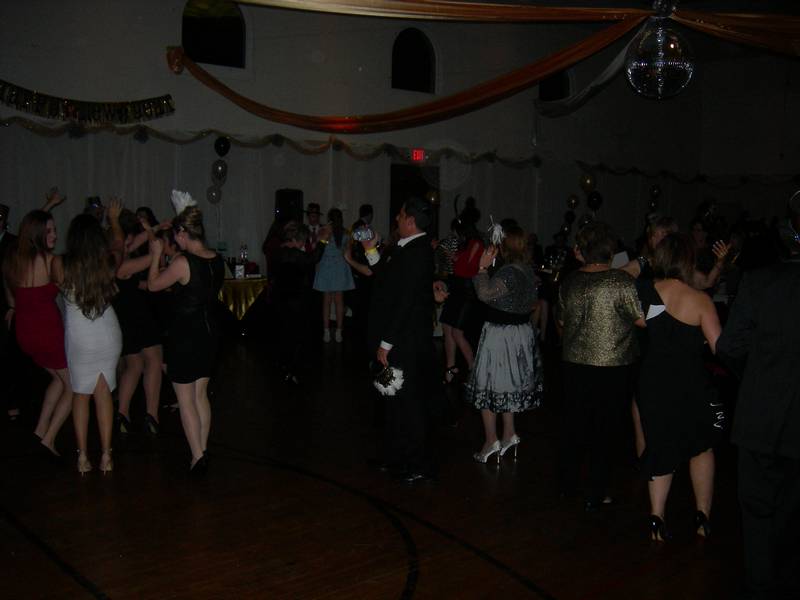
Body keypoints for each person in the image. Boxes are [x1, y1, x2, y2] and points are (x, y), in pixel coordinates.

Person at [717, 203, 800, 599]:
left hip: (760, 415)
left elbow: (729, 347)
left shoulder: (758, 281)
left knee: (756, 510)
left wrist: (755, 378)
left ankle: (760, 584)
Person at [636, 233, 722, 541]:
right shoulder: (700, 300)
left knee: (660, 445)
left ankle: (656, 517)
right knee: (701, 446)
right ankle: (702, 515)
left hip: (654, 381)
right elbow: (719, 347)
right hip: (690, 383)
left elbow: (638, 322)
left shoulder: (645, 291)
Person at [557, 221, 645, 510]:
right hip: (613, 366)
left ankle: (568, 484)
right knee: (605, 430)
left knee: (575, 425)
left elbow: (561, 322)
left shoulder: (569, 281)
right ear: (610, 249)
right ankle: (596, 492)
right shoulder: (620, 282)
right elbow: (641, 319)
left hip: (574, 365)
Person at [363, 197, 445, 483]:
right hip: (397, 338)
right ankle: (395, 456)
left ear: (410, 221)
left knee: (409, 402)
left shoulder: (418, 252)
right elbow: (384, 278)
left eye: (400, 214)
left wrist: (386, 343)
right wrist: (370, 249)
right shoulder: (404, 247)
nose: (396, 218)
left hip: (405, 342)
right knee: (392, 398)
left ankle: (419, 464)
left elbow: (406, 302)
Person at [147, 206, 224, 474]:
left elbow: (153, 285)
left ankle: (197, 456)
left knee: (186, 397)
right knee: (200, 394)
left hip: (186, 335)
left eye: (175, 236)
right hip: (209, 333)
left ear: (182, 233)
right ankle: (201, 450)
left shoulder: (183, 262)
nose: (175, 241)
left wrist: (155, 255)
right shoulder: (216, 258)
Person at [53, 202, 125, 475]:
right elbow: (119, 246)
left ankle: (83, 456)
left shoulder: (60, 264)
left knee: (81, 394)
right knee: (103, 391)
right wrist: (114, 220)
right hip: (107, 332)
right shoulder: (106, 262)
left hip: (80, 335)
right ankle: (106, 455)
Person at [465, 225, 543, 463]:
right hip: (520, 333)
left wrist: (481, 268)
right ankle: (509, 434)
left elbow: (485, 294)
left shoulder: (509, 272)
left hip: (501, 335)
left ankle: (491, 440)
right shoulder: (527, 270)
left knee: (488, 386)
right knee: (507, 385)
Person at [2, 199, 72, 457]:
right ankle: (49, 439)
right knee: (74, 386)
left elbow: (11, 299)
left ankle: (40, 429)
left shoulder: (13, 260)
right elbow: (71, 293)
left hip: (24, 332)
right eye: (50, 231)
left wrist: (48, 205)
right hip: (47, 333)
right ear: (38, 234)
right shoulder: (52, 261)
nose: (55, 235)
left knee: (58, 379)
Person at [112, 209, 163, 435]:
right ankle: (152, 414)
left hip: (122, 318)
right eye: (127, 241)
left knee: (134, 365)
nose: (130, 245)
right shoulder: (122, 265)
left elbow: (136, 243)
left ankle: (122, 414)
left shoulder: (112, 257)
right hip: (135, 317)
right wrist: (154, 237)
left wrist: (155, 227)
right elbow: (153, 255)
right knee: (154, 358)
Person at [272, 222, 330, 384]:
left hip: (281, 299)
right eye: (302, 241)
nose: (303, 244)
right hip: (294, 300)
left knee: (285, 333)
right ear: (296, 240)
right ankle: (291, 370)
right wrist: (323, 240)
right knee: (296, 335)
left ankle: (284, 367)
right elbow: (313, 258)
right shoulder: (292, 254)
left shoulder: (279, 252)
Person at [439, 218, 484, 383]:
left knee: (457, 332)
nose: (454, 235)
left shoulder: (476, 243)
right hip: (457, 287)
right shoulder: (465, 244)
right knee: (447, 326)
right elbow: (460, 264)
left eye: (456, 231)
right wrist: (452, 256)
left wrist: (456, 258)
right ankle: (450, 367)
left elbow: (469, 268)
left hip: (467, 291)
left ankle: (474, 368)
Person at [313, 207, 355, 343]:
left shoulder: (324, 231)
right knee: (339, 302)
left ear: (329, 219)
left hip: (326, 267)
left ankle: (326, 331)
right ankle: (339, 332)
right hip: (340, 267)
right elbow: (348, 253)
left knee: (326, 301)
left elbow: (315, 247)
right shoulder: (346, 233)